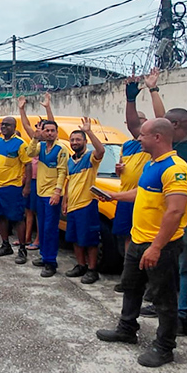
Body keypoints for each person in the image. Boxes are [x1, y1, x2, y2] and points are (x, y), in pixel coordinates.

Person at [96, 118, 187, 368]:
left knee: (164, 298)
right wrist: (115, 195)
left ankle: (164, 347)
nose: (139, 138)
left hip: (160, 244)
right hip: (138, 240)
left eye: (144, 135)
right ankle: (127, 329)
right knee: (131, 288)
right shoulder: (153, 164)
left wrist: (157, 247)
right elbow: (142, 192)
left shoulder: (175, 169)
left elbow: (175, 212)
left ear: (158, 137)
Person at [140, 108, 187, 321]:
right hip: (164, 223)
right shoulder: (168, 150)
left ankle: (181, 312)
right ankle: (161, 304)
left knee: (186, 267)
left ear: (175, 125)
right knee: (166, 267)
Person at [114, 68, 165, 292]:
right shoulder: (130, 144)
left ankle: (147, 284)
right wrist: (130, 99)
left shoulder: (155, 147)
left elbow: (162, 120)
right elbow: (132, 123)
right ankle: (131, 277)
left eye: (145, 125)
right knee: (128, 239)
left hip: (144, 200)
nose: (140, 128)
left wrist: (153, 89)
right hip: (126, 197)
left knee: (147, 242)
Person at [20, 94, 68, 274]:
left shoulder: (60, 149)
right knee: (42, 226)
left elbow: (63, 172)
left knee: (50, 228)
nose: (49, 133)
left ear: (56, 133)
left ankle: (50, 262)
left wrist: (57, 192)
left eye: (51, 131)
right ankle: (44, 255)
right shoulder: (40, 147)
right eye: (46, 130)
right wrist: (35, 137)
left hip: (51, 195)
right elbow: (29, 152)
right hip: (39, 193)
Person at [60, 119, 106, 284]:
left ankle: (92, 270)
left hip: (86, 205)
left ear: (85, 142)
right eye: (72, 140)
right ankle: (80, 265)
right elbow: (68, 182)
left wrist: (89, 131)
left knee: (90, 240)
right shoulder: (70, 161)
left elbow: (101, 150)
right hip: (72, 206)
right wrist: (65, 201)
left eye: (78, 140)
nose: (74, 142)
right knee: (74, 238)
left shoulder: (90, 158)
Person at [0, 116, 31, 261]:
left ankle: (22, 249)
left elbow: (28, 164)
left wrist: (27, 186)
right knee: (0, 217)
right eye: (2, 125)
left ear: (14, 127)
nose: (3, 127)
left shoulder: (20, 144)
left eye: (7, 125)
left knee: (16, 219)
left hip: (12, 187)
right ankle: (5, 245)